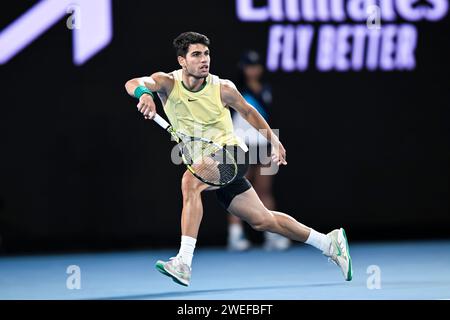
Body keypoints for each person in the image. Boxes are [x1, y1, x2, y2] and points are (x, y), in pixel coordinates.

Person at [124, 32, 353, 287]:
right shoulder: (166, 83)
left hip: (232, 154)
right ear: (182, 61)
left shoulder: (223, 87)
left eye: (206, 54)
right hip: (206, 160)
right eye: (196, 55)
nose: (204, 60)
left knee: (190, 182)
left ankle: (183, 262)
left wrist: (274, 141)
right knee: (263, 220)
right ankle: (329, 242)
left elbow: (248, 111)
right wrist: (145, 94)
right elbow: (133, 82)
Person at [228, 50, 291, 252]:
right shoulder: (234, 90)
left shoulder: (266, 89)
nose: (253, 70)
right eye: (249, 66)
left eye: (256, 66)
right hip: (241, 144)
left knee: (264, 190)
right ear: (243, 68)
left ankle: (272, 234)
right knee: (237, 191)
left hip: (263, 144)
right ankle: (235, 235)